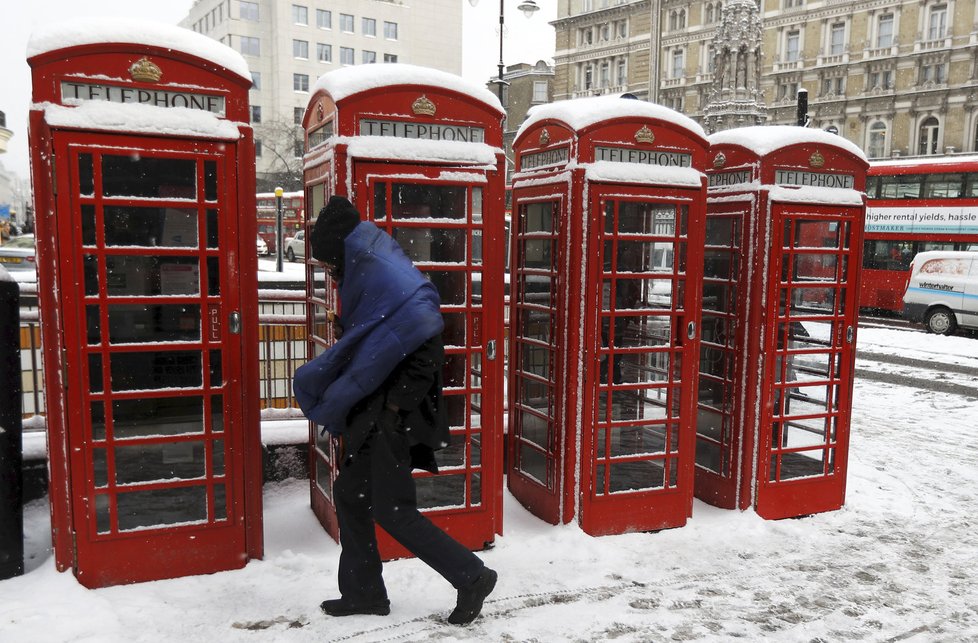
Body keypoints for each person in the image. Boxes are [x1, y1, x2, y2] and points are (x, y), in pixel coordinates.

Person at [292, 195, 497, 626]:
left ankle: (471, 575)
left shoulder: (391, 282)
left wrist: (392, 409)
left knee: (393, 509)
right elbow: (372, 342)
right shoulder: (371, 276)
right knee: (351, 494)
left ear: (344, 253)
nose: (331, 273)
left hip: (389, 419)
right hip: (374, 414)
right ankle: (364, 592)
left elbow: (425, 349)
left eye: (330, 265)